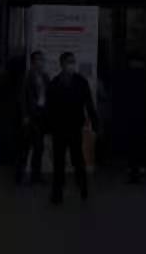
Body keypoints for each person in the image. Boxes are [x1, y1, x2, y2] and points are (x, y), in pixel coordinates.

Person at [47, 50, 99, 205]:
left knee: (77, 159)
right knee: (59, 162)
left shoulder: (81, 82)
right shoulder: (55, 83)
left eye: (73, 61)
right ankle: (57, 193)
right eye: (69, 62)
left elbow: (89, 103)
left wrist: (95, 123)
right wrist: (49, 127)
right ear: (62, 64)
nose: (72, 65)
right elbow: (50, 108)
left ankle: (83, 186)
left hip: (75, 126)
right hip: (59, 127)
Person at [111, 53, 146, 183]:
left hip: (132, 117)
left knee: (134, 145)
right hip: (143, 117)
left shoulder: (128, 76)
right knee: (144, 144)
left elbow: (122, 98)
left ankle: (135, 170)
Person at [16, 50, 49, 184]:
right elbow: (22, 98)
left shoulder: (45, 77)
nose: (41, 62)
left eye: (42, 59)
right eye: (38, 60)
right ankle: (20, 175)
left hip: (41, 115)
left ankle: (36, 175)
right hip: (30, 116)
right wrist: (24, 115)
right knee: (25, 147)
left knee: (39, 148)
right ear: (32, 62)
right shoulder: (27, 77)